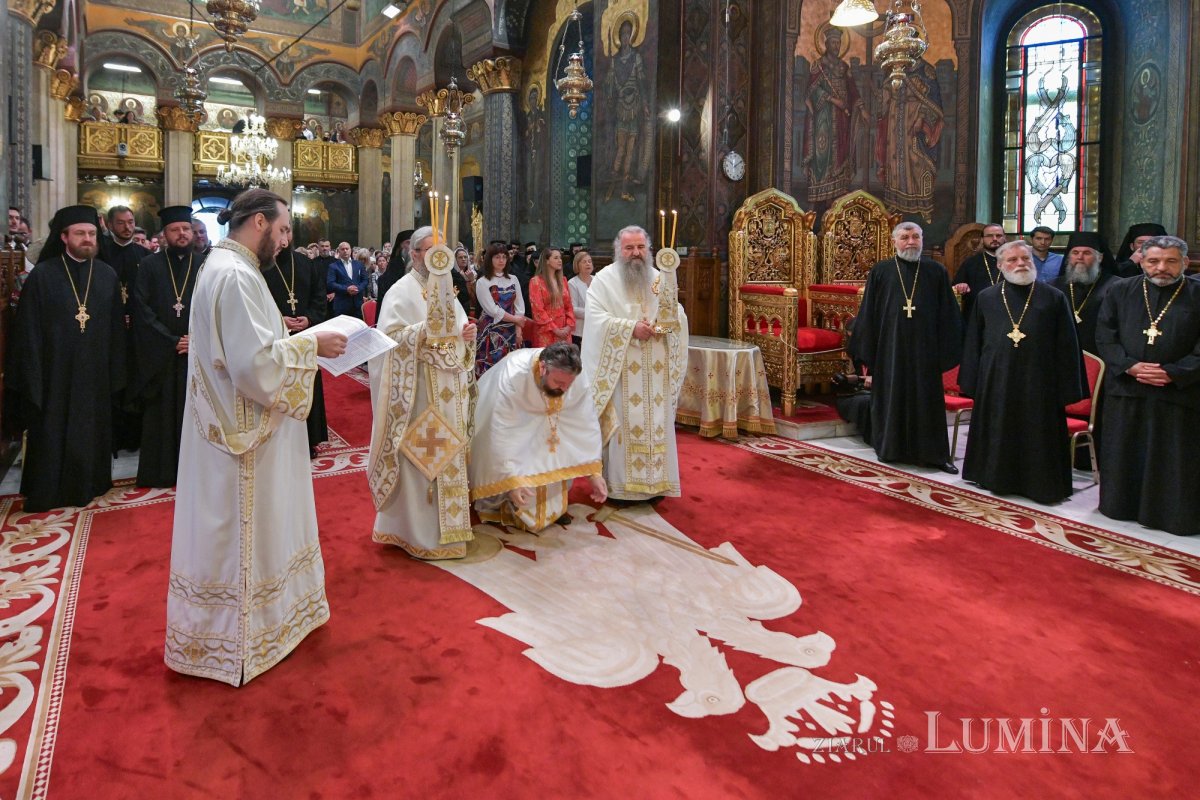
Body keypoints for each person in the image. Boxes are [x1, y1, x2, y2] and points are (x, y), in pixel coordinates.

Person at [166, 188, 347, 686]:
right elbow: (254, 367)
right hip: (245, 436)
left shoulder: (224, 266)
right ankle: (244, 638)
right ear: (261, 223)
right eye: (284, 229)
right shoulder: (235, 274)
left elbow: (249, 350)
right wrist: (313, 343)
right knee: (246, 533)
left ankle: (268, 623)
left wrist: (292, 341)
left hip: (241, 425)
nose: (287, 242)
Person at [367, 226, 477, 560]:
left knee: (449, 456)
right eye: (431, 252)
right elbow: (388, 340)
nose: (438, 259)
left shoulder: (446, 289)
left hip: (449, 389)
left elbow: (456, 329)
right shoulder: (400, 292)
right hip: (419, 392)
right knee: (422, 459)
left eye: (441, 251)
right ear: (415, 254)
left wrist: (466, 333)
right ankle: (415, 532)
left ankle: (452, 529)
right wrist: (425, 332)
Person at [8, 205, 125, 511]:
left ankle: (92, 483)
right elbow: (28, 331)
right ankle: (49, 489)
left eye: (91, 234)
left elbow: (116, 330)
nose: (87, 239)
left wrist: (116, 370)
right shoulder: (43, 276)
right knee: (52, 430)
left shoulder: (106, 275)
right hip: (54, 373)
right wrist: (33, 375)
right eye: (80, 234)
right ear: (63, 237)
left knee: (91, 429)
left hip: (95, 372)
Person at [958, 241, 1087, 503]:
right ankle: (994, 477)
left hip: (1040, 381)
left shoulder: (1053, 297)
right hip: (997, 379)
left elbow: (1067, 345)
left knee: (1038, 432)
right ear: (1000, 265)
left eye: (1025, 259)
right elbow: (974, 341)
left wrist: (1067, 387)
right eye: (1013, 260)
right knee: (998, 427)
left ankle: (1039, 484)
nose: (1020, 264)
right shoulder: (987, 297)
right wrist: (972, 381)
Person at [1095, 235, 1200, 536]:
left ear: (1185, 262)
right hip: (1128, 389)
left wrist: (1175, 372)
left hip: (1181, 392)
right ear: (1142, 260)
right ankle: (1121, 506)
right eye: (1153, 261)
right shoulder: (1120, 290)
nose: (1161, 268)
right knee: (1126, 449)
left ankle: (1172, 515)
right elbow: (1105, 334)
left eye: (1170, 261)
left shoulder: (1196, 293)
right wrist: (1128, 365)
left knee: (1174, 456)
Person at [581, 225, 688, 501]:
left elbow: (677, 314)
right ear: (619, 250)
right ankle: (621, 489)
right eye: (629, 248)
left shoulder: (660, 278)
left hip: (655, 371)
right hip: (621, 371)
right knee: (624, 430)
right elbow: (595, 321)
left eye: (640, 247)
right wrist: (630, 328)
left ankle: (656, 484)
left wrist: (664, 324)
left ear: (648, 249)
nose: (635, 253)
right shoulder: (604, 281)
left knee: (657, 425)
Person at [848, 221, 962, 472]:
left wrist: (945, 351)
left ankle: (935, 455)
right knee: (892, 398)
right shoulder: (881, 271)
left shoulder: (936, 271)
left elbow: (948, 315)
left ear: (922, 239)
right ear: (894, 242)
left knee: (928, 400)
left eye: (916, 237)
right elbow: (869, 314)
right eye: (905, 237)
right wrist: (870, 351)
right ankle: (889, 449)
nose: (911, 242)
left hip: (926, 350)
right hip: (891, 350)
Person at [471, 342, 607, 530]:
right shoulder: (514, 375)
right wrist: (511, 481)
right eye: (558, 383)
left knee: (557, 443)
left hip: (551, 425)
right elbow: (501, 432)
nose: (564, 390)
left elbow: (585, 423)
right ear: (543, 368)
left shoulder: (575, 377)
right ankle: (505, 503)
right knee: (515, 459)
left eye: (568, 384)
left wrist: (594, 472)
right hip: (515, 423)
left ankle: (555, 508)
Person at [129, 206, 206, 487]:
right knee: (161, 413)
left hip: (198, 354)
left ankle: (198, 472)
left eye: (186, 229)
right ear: (164, 235)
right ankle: (161, 472)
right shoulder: (149, 265)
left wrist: (196, 340)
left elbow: (214, 307)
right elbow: (142, 309)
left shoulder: (204, 264)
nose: (182, 234)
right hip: (161, 355)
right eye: (176, 230)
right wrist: (172, 341)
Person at [265, 228, 330, 457]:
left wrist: (310, 318)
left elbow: (319, 296)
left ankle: (309, 440)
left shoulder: (304, 262)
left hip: (305, 336)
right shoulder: (261, 265)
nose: (284, 239)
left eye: (288, 232)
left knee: (307, 382)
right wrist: (279, 321)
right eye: (280, 232)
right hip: (277, 339)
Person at [1051, 231, 1116, 354]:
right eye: (1075, 253)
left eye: (1087, 253)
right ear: (1069, 257)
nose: (1080, 257)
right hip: (1062, 353)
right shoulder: (1053, 287)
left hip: (1103, 354)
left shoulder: (1116, 286)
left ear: (1100, 257)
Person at [475, 242, 527, 375]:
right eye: (497, 257)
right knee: (493, 371)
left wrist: (518, 330)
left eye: (504, 257)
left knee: (512, 370)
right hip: (491, 329)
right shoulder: (483, 282)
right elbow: (492, 310)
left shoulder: (513, 279)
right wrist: (516, 320)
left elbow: (520, 306)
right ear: (490, 259)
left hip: (512, 329)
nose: (501, 260)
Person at [951, 223, 1006, 322]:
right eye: (989, 236)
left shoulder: (1013, 261)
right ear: (982, 239)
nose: (994, 239)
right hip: (976, 314)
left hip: (1006, 313)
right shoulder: (971, 263)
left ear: (1004, 238)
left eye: (998, 235)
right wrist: (961, 286)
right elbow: (956, 287)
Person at [528, 246, 576, 348]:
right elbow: (538, 310)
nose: (560, 260)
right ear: (546, 261)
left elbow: (569, 306)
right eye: (556, 258)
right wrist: (555, 329)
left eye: (560, 258)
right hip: (546, 331)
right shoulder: (536, 281)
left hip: (564, 330)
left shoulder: (563, 280)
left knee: (565, 362)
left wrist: (568, 326)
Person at [326, 240, 368, 319]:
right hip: (342, 305)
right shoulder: (333, 266)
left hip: (358, 305)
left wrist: (358, 288)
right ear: (338, 251)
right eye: (342, 249)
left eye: (347, 249)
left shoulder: (359, 264)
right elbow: (330, 283)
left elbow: (365, 280)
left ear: (350, 250)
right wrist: (346, 289)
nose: (345, 251)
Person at [377, 228, 413, 304]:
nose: (411, 247)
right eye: (408, 243)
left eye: (414, 243)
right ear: (400, 246)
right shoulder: (395, 266)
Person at [568, 250, 594, 344]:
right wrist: (593, 313)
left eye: (590, 261)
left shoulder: (597, 280)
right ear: (577, 265)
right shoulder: (572, 283)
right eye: (584, 262)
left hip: (596, 328)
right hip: (579, 331)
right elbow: (573, 309)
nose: (588, 264)